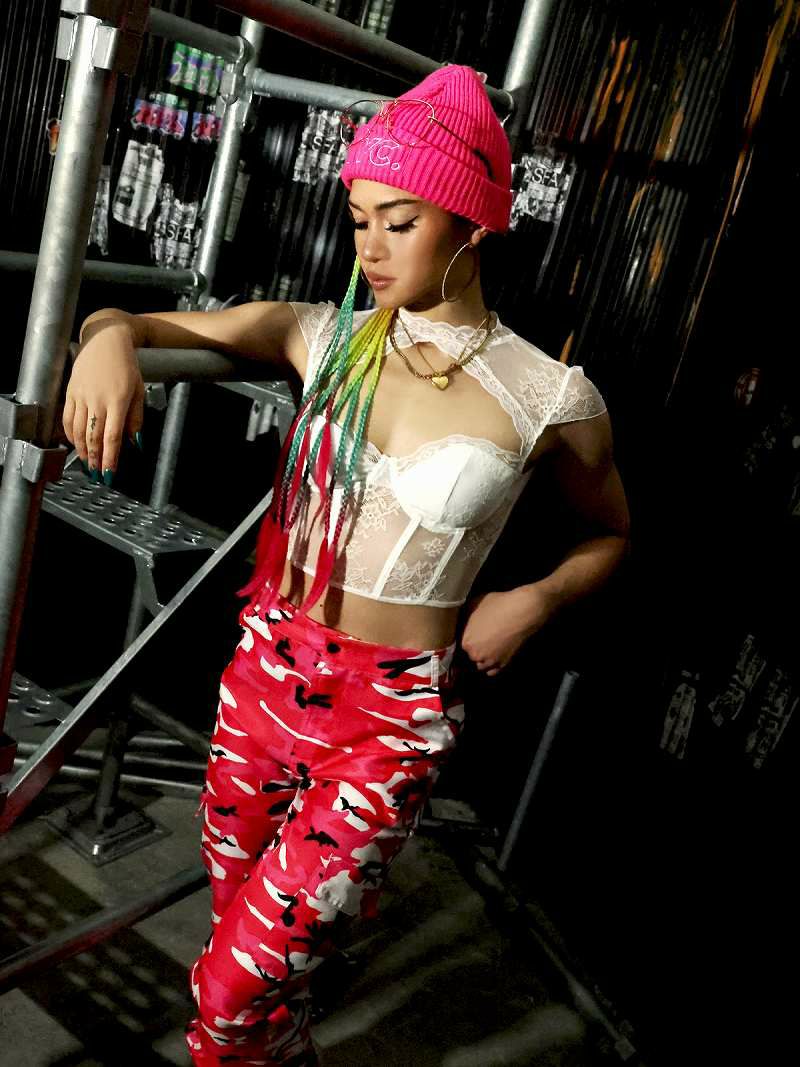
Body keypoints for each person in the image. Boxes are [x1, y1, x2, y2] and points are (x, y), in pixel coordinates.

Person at [64, 65, 629, 1066]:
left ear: (471, 223)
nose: (368, 245)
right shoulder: (323, 336)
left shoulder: (548, 395)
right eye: (360, 218)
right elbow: (137, 324)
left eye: (399, 221)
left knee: (230, 990)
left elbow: (611, 533)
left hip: (389, 719)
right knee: (248, 957)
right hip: (264, 679)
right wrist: (107, 339)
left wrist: (536, 597)